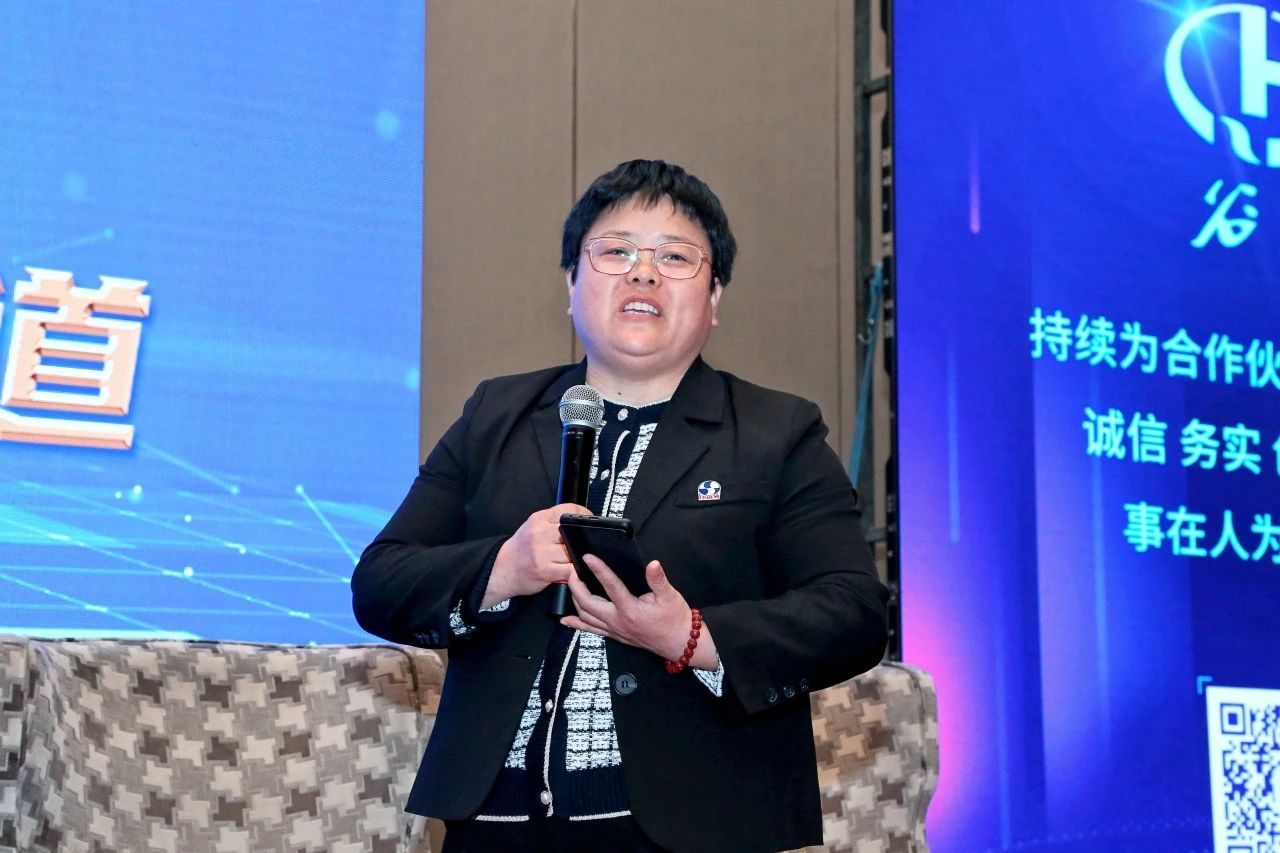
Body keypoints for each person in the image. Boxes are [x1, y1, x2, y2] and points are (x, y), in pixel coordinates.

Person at [351, 159, 888, 853]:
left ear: (715, 297)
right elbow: (381, 581)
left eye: (675, 257)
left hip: (689, 828)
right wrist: (503, 569)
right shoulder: (496, 415)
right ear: (571, 285)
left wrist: (692, 636)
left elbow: (854, 613)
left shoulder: (775, 432)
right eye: (615, 252)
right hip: (492, 824)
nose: (643, 274)